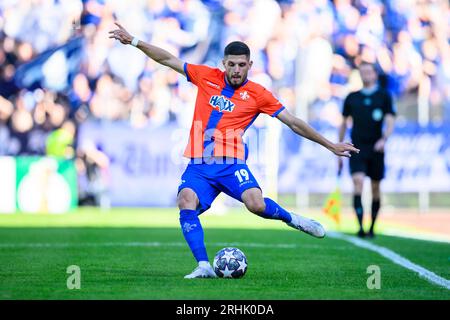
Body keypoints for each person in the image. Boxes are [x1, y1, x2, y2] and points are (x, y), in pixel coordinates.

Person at [109, 22, 359, 278]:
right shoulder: (206, 76)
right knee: (185, 201)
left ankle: (292, 219)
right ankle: (204, 265)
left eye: (242, 65)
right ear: (223, 64)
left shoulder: (258, 94)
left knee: (256, 204)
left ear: (250, 65)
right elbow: (168, 59)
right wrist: (135, 41)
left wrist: (330, 145)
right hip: (199, 164)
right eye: (232, 64)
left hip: (231, 164)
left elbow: (293, 122)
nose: (236, 70)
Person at [338, 62, 396, 238]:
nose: (366, 75)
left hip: (376, 147)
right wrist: (339, 144)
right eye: (362, 72)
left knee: (376, 187)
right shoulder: (352, 97)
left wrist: (384, 139)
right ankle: (360, 227)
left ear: (374, 74)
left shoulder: (384, 96)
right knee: (358, 182)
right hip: (357, 147)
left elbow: (390, 120)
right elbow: (343, 122)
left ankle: (372, 227)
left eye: (369, 72)